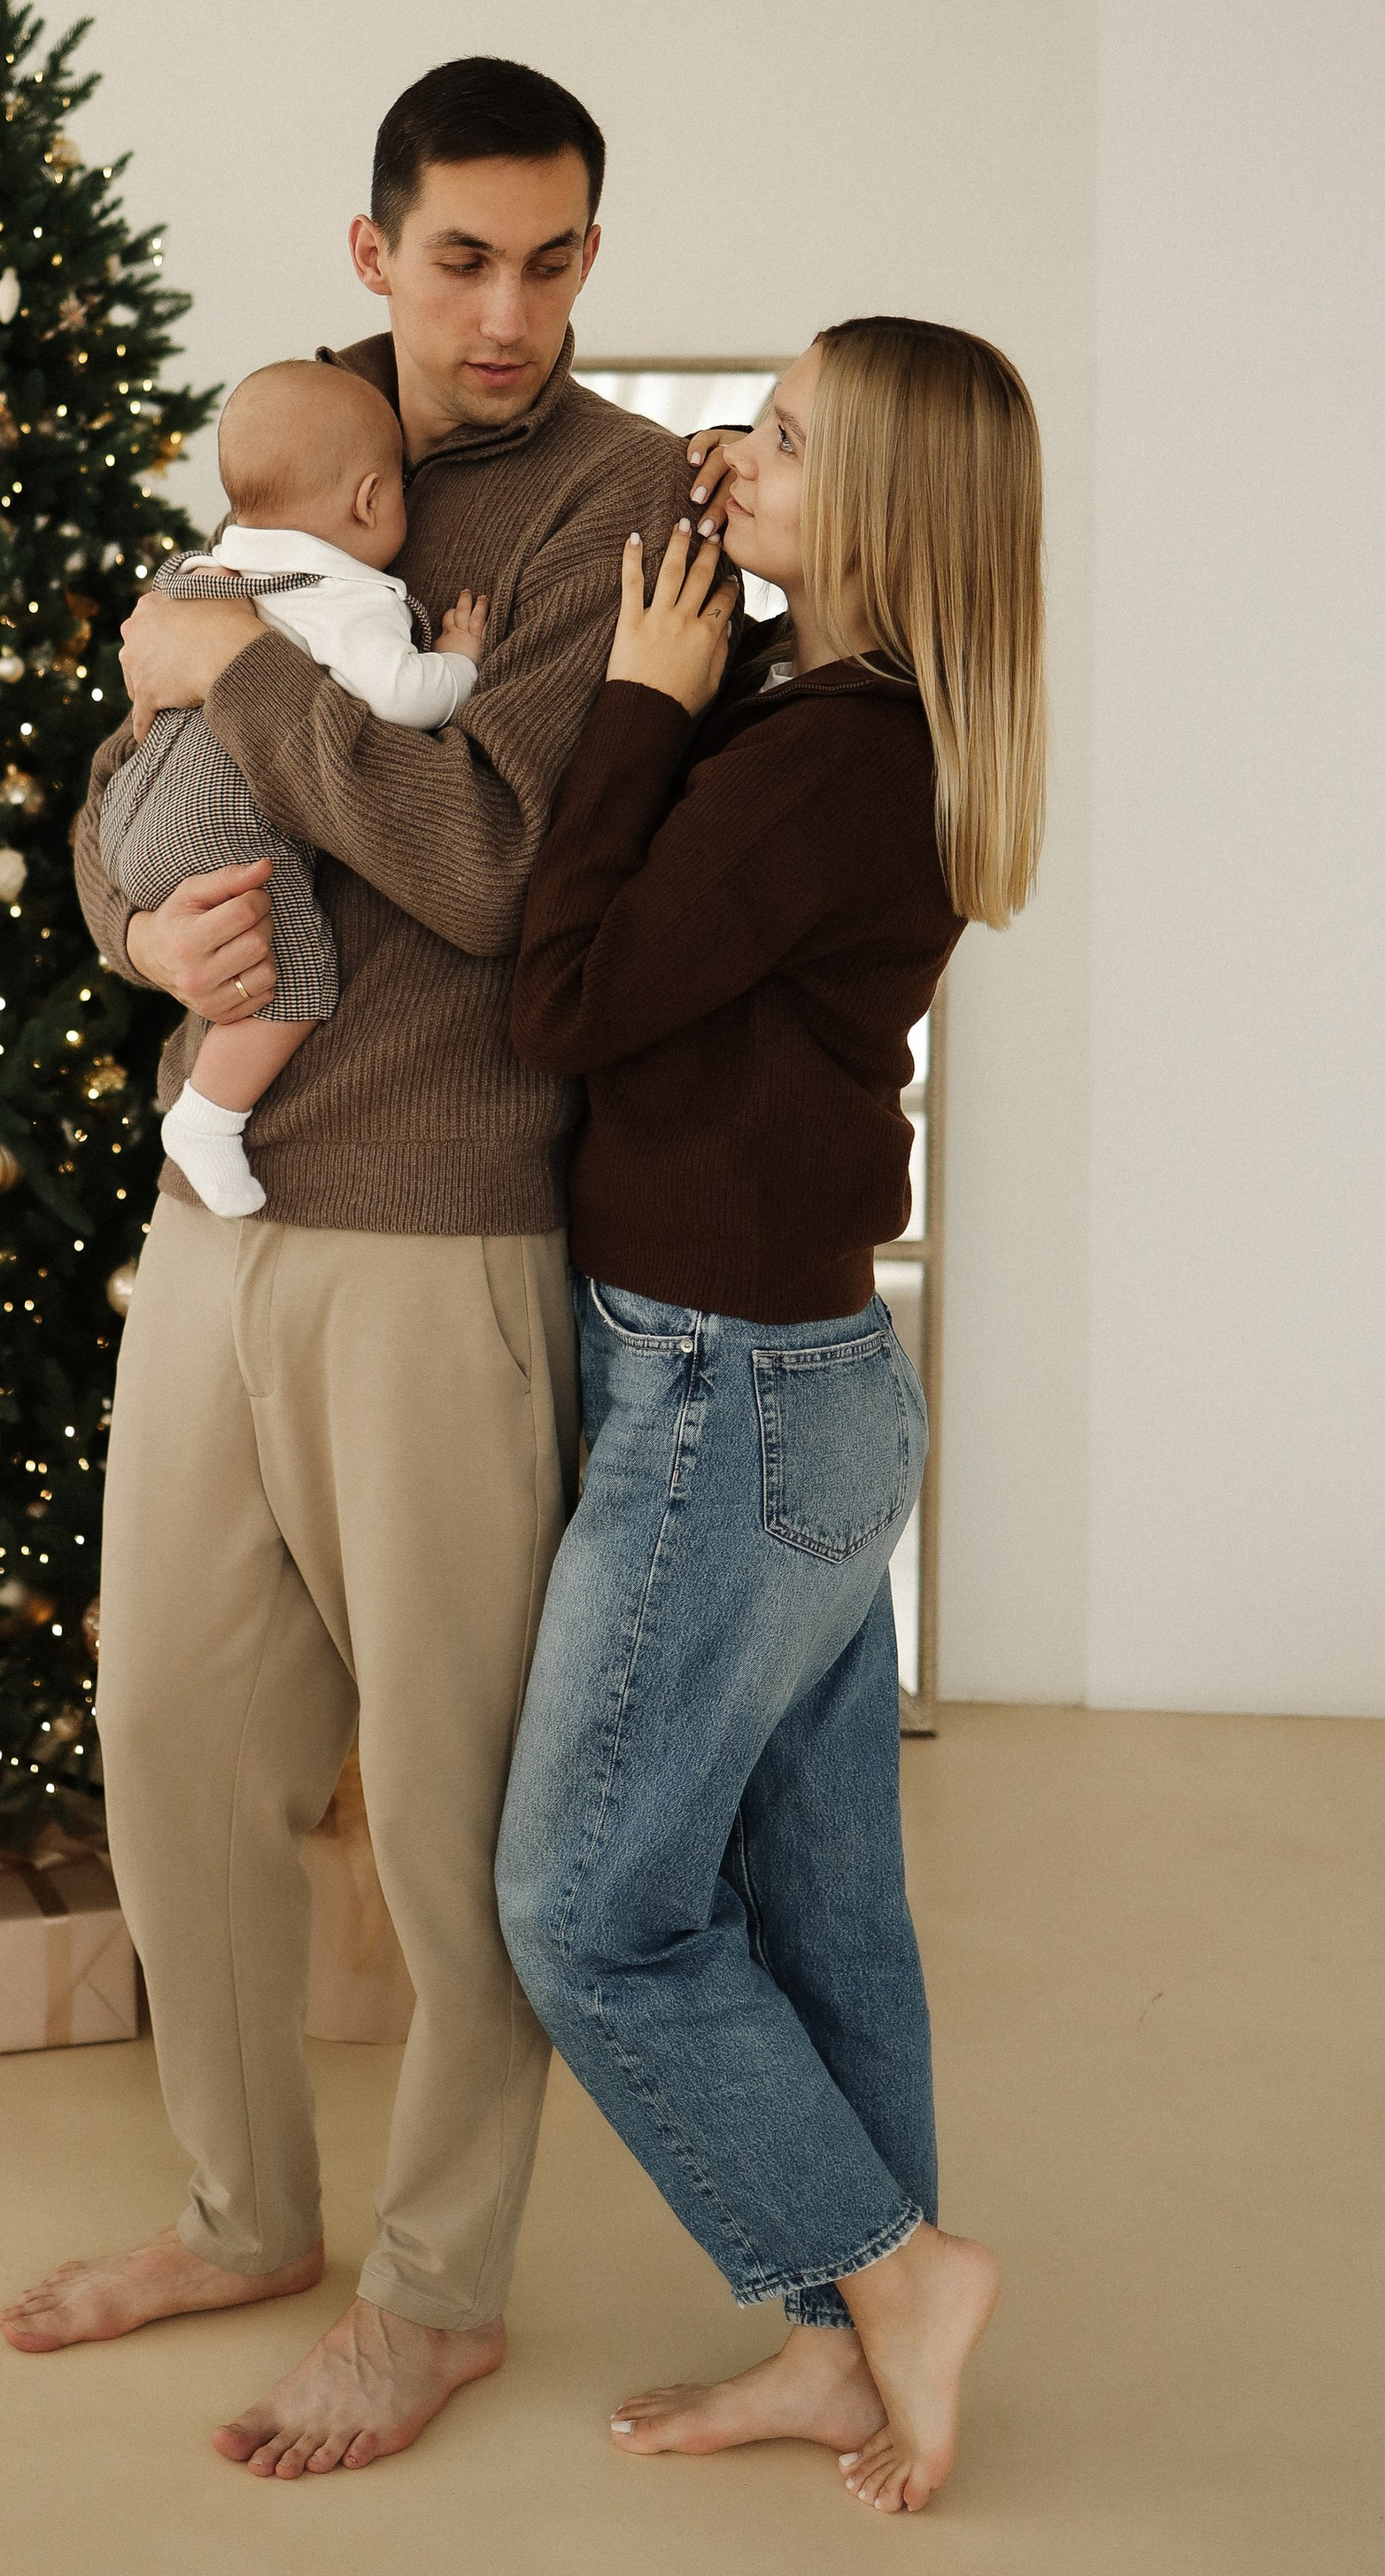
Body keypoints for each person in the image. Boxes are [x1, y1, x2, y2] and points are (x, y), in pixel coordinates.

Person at [0, 56, 685, 2478]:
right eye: (467, 255)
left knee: (447, 1802)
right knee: (168, 1725)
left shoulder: (622, 505)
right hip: (223, 1213)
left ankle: (436, 2294)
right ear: (377, 245)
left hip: (453, 1229)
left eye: (558, 255)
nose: (511, 311)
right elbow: (119, 794)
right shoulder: (288, 443)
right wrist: (143, 927)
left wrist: (235, 679)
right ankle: (236, 2209)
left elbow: (497, 860)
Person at [496, 315, 1047, 2518]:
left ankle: (891, 2268)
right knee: (820, 1910)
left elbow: (568, 995)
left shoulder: (814, 755)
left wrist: (634, 693)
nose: (734, 447)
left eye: (787, 435)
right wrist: (695, 671)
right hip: (800, 1384)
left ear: (885, 518)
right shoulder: (825, 720)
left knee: (584, 1903)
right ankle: (847, 2350)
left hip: (725, 1397)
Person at [100, 358, 490, 1218]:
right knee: (295, 976)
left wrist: (135, 930)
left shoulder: (207, 573)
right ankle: (207, 1116)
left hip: (133, 818)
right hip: (224, 833)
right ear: (369, 501)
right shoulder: (344, 592)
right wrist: (457, 657)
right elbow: (401, 695)